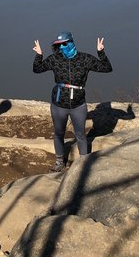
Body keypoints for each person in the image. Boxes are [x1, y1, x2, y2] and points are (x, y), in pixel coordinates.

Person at [33, 31, 112, 172]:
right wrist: (39, 55)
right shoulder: (55, 59)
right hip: (58, 105)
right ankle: (59, 162)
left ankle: (83, 163)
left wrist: (101, 52)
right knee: (58, 133)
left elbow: (107, 68)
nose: (62, 47)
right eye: (59, 45)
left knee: (80, 135)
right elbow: (37, 69)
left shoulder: (85, 59)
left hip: (78, 105)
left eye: (64, 43)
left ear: (71, 42)